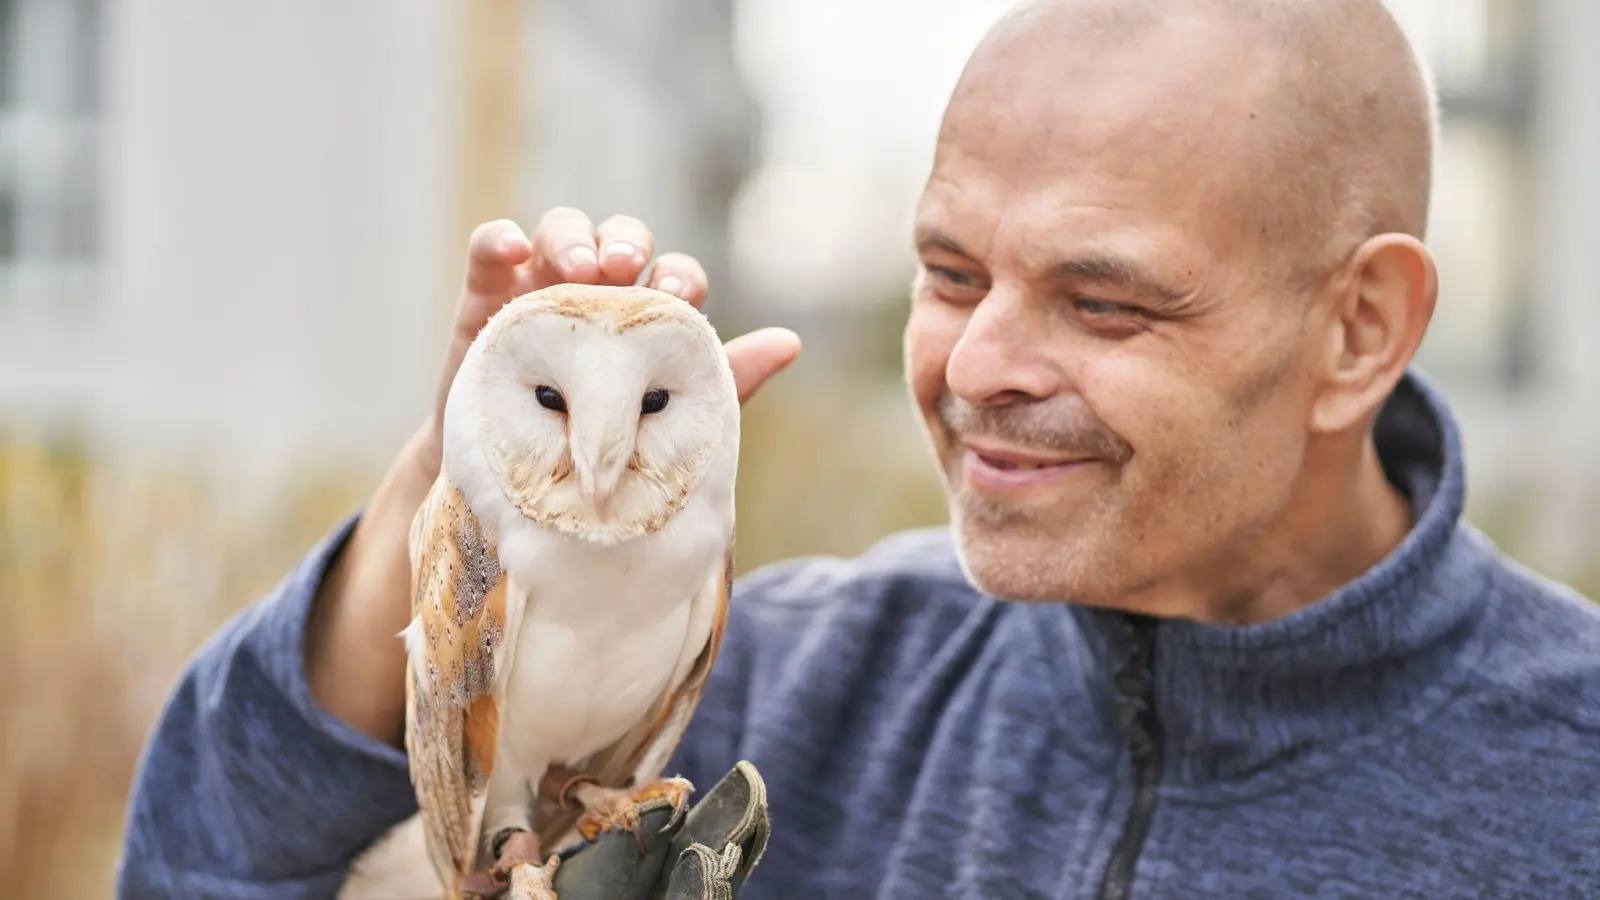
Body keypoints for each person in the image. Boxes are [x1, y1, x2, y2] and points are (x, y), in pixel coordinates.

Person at [117, 1, 1600, 897]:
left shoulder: (1566, 778)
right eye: (950, 275)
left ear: (1361, 327)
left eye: (1104, 301)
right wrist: (455, 487)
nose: (980, 365)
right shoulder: (778, 688)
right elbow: (201, 863)